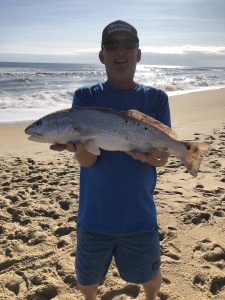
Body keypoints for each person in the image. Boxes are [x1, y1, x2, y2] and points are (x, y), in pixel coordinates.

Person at [51, 20, 171, 300]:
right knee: (87, 281)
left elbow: (162, 158)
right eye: (112, 45)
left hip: (140, 217)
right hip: (94, 217)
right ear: (102, 55)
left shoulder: (156, 99)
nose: (121, 51)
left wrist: (150, 156)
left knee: (151, 278)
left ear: (138, 54)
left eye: (128, 45)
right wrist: (78, 148)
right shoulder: (86, 97)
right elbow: (89, 161)